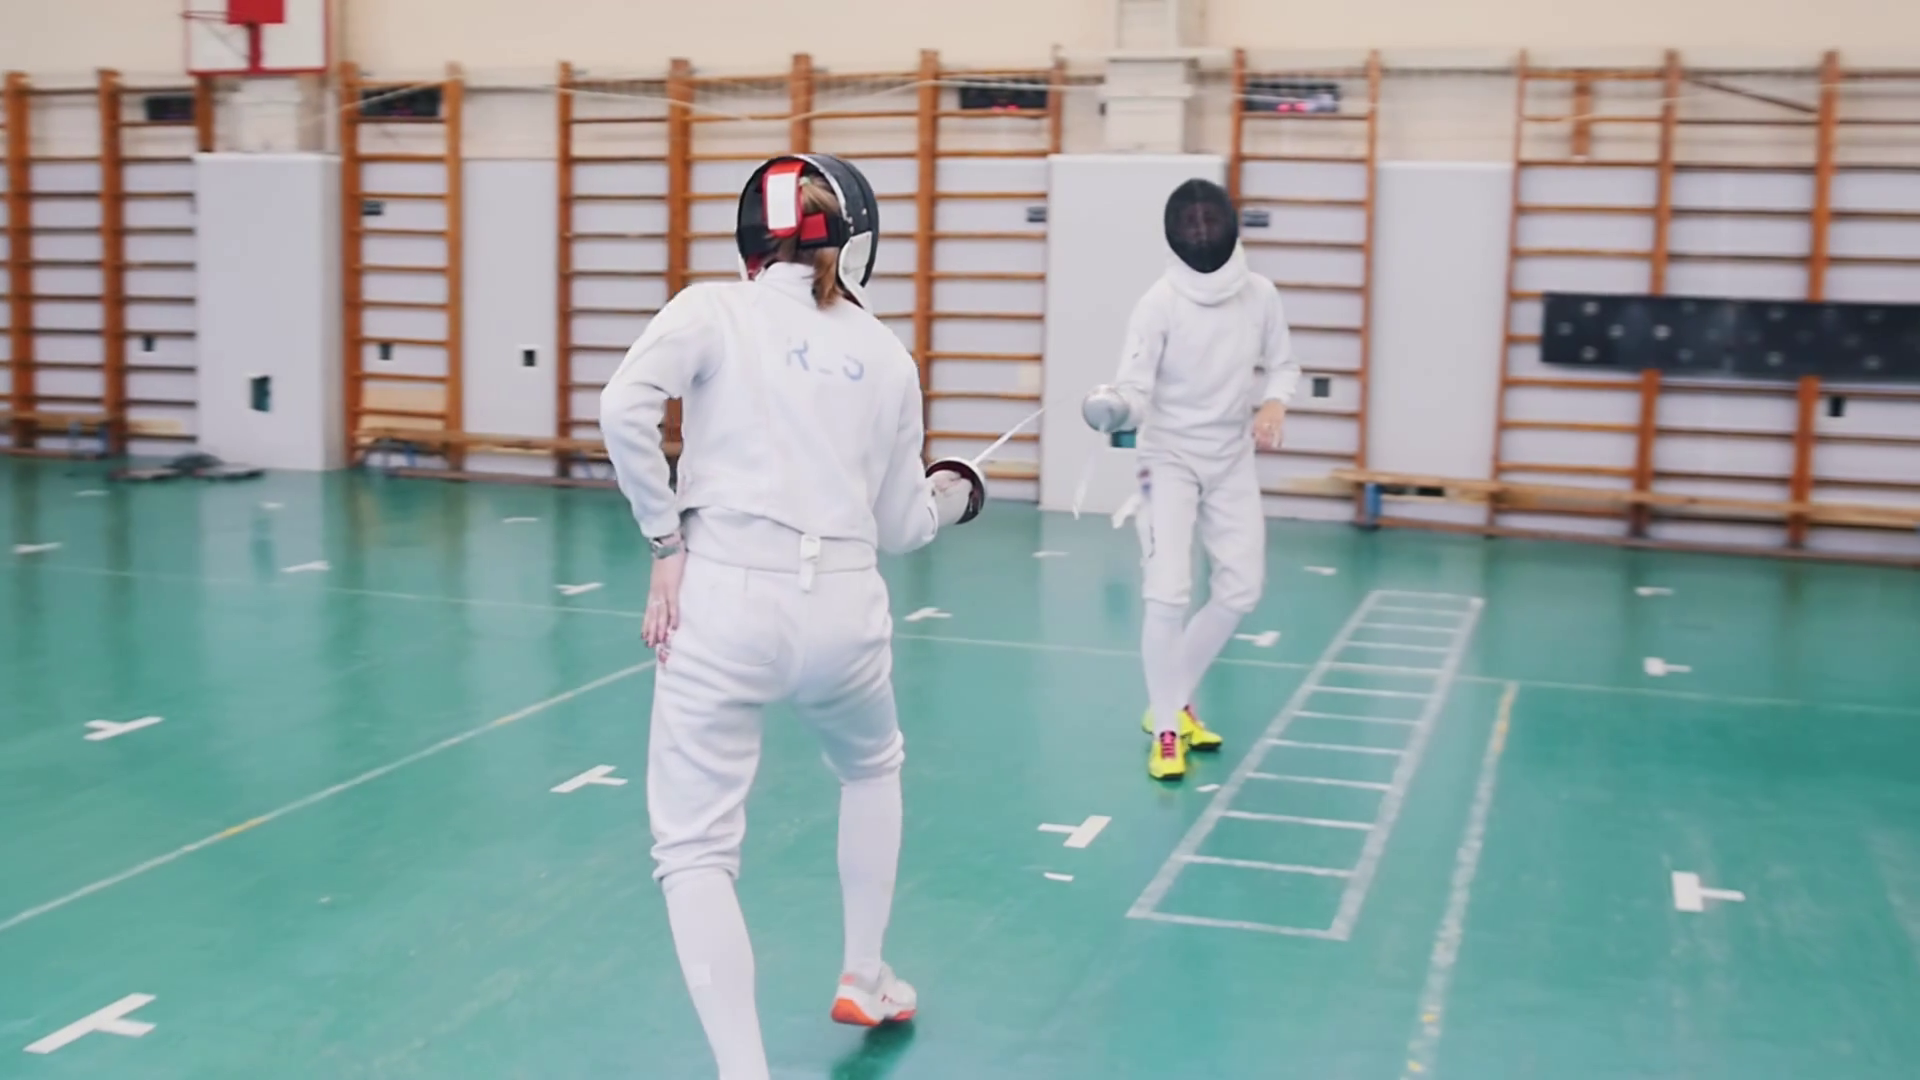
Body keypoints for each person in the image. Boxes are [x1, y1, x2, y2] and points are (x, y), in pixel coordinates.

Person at [600, 153, 983, 1080]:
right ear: (856, 245)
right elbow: (903, 527)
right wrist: (953, 494)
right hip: (844, 610)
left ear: (751, 241)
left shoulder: (710, 309)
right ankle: (865, 972)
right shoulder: (887, 355)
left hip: (722, 600)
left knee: (695, 852)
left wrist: (665, 542)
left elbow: (622, 409)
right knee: (872, 766)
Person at [1082, 177, 1299, 782]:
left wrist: (1274, 403)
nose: (1202, 233)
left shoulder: (1260, 295)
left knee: (1241, 590)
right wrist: (1116, 409)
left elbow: (1283, 366)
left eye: (1211, 222)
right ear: (1176, 234)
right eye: (1192, 224)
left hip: (1231, 456)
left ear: (1229, 226)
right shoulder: (1159, 304)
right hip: (1168, 458)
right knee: (1168, 593)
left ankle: (1169, 701)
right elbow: (1135, 388)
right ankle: (1168, 729)